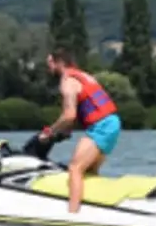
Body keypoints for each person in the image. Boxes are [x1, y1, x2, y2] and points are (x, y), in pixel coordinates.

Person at [38, 47, 122, 213]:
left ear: (59, 62)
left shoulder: (67, 81)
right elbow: (83, 110)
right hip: (112, 122)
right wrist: (66, 131)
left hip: (101, 126)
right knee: (90, 172)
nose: (48, 68)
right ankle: (96, 209)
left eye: (50, 63)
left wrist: (49, 132)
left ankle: (73, 216)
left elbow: (69, 115)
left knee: (75, 169)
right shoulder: (84, 76)